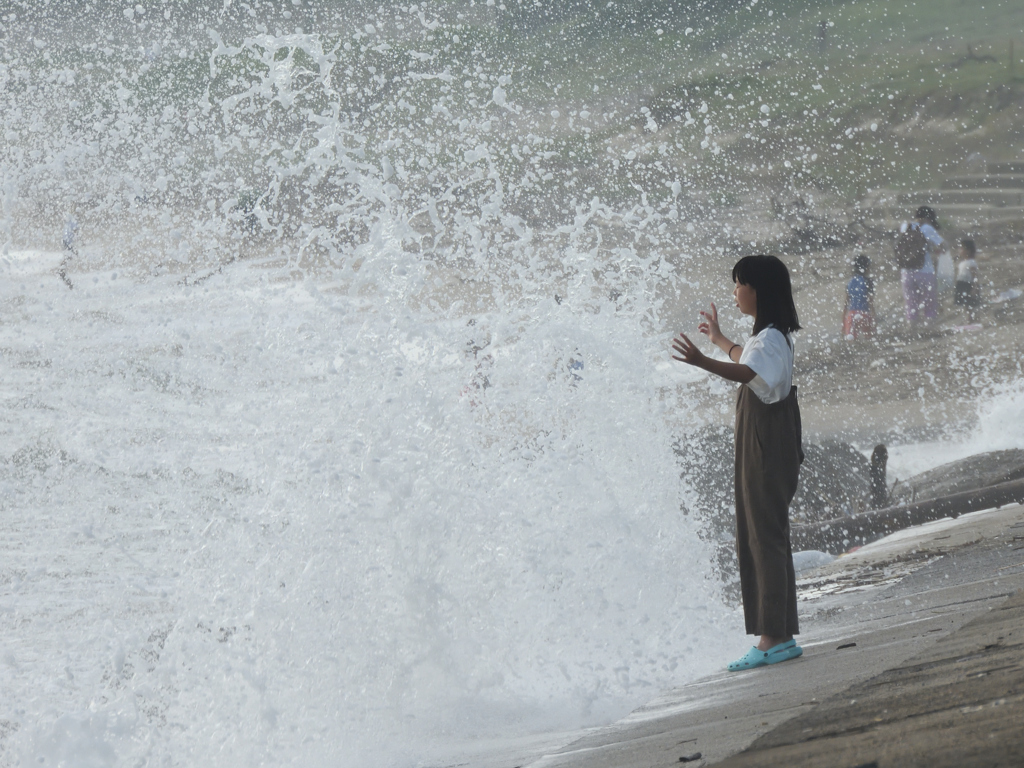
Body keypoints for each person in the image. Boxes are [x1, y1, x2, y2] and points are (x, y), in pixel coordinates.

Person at [671, 254, 804, 671]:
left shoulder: (768, 340)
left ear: (757, 291)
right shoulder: (769, 336)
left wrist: (701, 362)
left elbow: (747, 373)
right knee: (767, 534)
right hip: (769, 442)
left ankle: (772, 638)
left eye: (739, 284)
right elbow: (747, 359)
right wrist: (718, 339)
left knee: (763, 538)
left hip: (765, 446)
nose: (734, 291)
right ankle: (779, 634)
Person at [897, 206, 945, 325]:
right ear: (929, 218)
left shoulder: (905, 226)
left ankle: (911, 331)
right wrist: (937, 250)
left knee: (911, 305)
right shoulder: (927, 228)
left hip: (906, 272)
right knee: (929, 305)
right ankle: (929, 330)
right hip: (925, 271)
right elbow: (943, 245)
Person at [843, 254, 875, 340]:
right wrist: (874, 318)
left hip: (851, 314)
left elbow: (846, 303)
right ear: (867, 268)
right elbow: (870, 301)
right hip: (864, 314)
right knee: (869, 339)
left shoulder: (850, 282)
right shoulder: (868, 282)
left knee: (852, 340)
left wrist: (844, 321)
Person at [954, 237, 982, 323]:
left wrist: (975, 287)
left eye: (961, 248)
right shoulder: (962, 262)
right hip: (962, 284)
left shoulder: (971, 262)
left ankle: (973, 319)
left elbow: (975, 275)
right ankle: (968, 319)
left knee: (970, 304)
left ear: (968, 251)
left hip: (968, 285)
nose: (959, 250)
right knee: (964, 304)